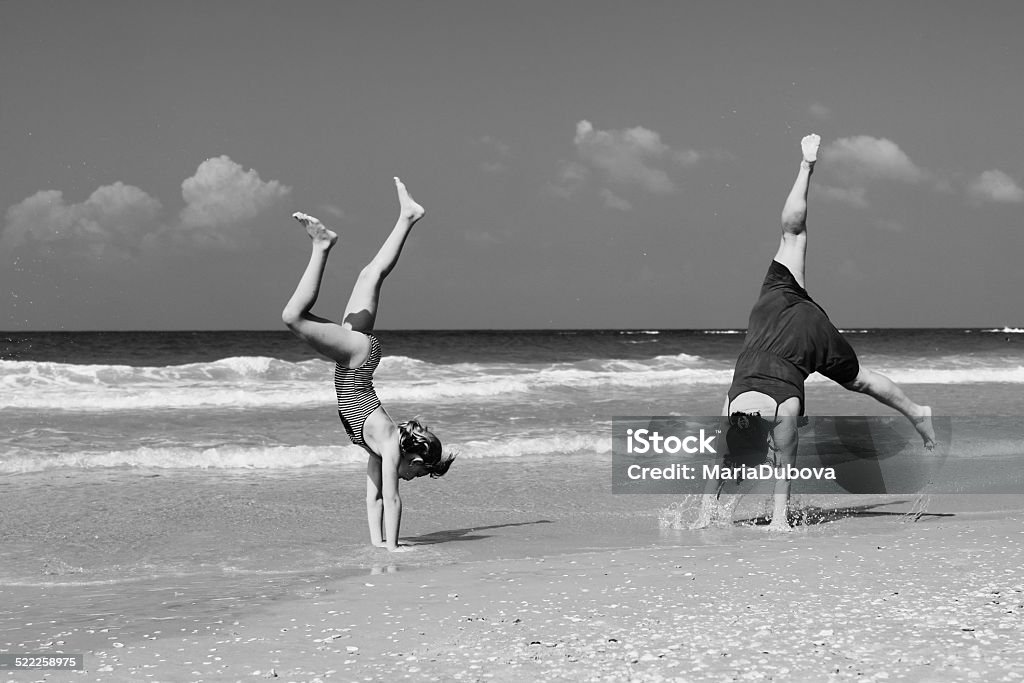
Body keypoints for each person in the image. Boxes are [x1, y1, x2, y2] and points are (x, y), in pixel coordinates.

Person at [695, 135, 935, 530]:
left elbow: (761, 469)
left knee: (861, 381)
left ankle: (916, 412)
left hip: (805, 339)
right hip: (778, 310)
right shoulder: (733, 405)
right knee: (793, 235)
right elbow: (736, 463)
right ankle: (806, 166)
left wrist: (715, 520)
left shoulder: (779, 413)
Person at [282, 177, 454, 551]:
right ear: (417, 460)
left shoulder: (376, 449)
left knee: (369, 274)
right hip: (356, 362)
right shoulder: (389, 442)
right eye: (415, 475)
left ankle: (408, 217)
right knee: (294, 317)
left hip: (356, 359)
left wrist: (378, 545)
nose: (406, 479)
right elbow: (393, 499)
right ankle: (322, 245)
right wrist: (396, 549)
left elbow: (373, 497)